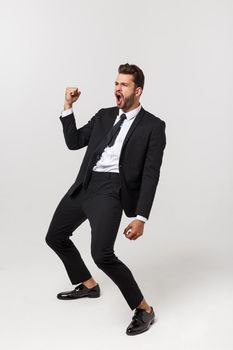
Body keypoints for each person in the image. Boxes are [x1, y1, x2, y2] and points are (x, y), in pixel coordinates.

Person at [45, 63, 166, 335]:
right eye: (116, 83)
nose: (117, 89)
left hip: (112, 191)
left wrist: (141, 217)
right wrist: (68, 106)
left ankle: (144, 308)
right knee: (55, 236)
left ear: (138, 90)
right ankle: (88, 285)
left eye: (123, 85)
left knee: (102, 254)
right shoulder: (104, 115)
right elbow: (74, 141)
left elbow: (150, 175)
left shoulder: (153, 127)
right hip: (86, 183)